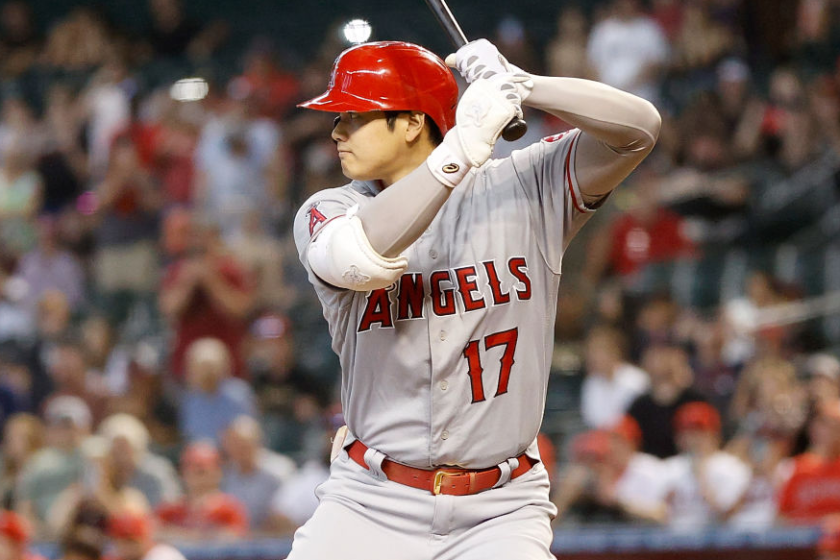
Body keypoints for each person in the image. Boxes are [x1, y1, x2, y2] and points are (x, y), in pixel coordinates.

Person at [290, 38, 660, 559]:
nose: (336, 131)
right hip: (370, 501)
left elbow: (640, 130)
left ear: (414, 123)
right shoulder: (329, 209)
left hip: (500, 509)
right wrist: (460, 149)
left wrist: (526, 85)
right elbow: (354, 258)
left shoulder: (525, 187)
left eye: (354, 115)